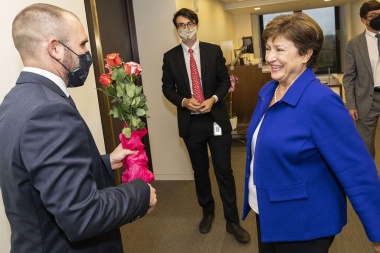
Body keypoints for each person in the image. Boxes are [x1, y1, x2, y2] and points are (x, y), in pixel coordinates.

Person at [0, 4, 157, 253]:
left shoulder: (16, 99)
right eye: (83, 44)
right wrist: (139, 193)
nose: (87, 53)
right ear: (55, 49)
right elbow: (82, 216)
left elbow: (45, 178)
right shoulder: (47, 111)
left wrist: (105, 162)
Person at [242, 12, 380, 253]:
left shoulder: (321, 102)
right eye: (268, 48)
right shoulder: (268, 90)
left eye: (280, 50)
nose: (270, 57)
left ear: (306, 54)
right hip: (267, 210)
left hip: (304, 222)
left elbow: (356, 169)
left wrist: (377, 231)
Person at [162, 8, 250, 243]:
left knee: (224, 172)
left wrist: (213, 99)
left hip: (216, 121)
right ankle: (208, 212)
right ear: (176, 29)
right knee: (200, 172)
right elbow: (167, 88)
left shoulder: (213, 51)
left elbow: (223, 81)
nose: (186, 28)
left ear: (197, 25)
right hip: (191, 124)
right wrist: (183, 101)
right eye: (181, 25)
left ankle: (232, 221)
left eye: (189, 23)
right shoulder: (170, 57)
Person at [343, 0, 380, 158]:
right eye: (373, 16)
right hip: (367, 100)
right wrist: (351, 105)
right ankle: (369, 178)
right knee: (365, 145)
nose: (378, 18)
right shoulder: (354, 44)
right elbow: (349, 76)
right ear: (364, 20)